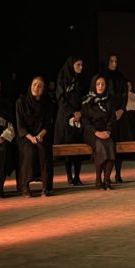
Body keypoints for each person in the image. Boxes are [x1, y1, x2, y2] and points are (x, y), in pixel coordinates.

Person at [16, 76, 54, 197]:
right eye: (34, 84)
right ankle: (25, 186)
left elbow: (48, 123)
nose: (36, 87)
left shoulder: (47, 103)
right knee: (29, 151)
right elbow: (20, 125)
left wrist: (40, 135)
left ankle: (46, 187)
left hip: (42, 135)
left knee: (43, 150)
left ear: (43, 89)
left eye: (40, 85)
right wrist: (31, 137)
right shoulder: (21, 102)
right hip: (25, 137)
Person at [54, 56, 87, 185]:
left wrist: (80, 111)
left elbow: (85, 97)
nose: (81, 67)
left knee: (79, 145)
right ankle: (69, 176)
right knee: (67, 146)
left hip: (79, 115)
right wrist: (72, 112)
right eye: (78, 65)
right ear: (71, 65)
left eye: (82, 65)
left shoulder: (80, 79)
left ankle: (77, 176)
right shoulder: (62, 78)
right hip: (65, 116)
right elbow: (60, 97)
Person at [82, 74, 116, 190]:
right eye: (98, 84)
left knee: (110, 145)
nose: (100, 86)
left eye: (103, 84)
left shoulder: (109, 100)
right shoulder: (87, 101)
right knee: (100, 145)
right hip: (91, 132)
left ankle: (106, 181)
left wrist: (108, 131)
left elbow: (112, 118)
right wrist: (96, 132)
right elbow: (85, 121)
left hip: (105, 131)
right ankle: (98, 179)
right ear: (94, 85)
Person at [102, 54, 129, 183]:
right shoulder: (103, 76)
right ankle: (106, 176)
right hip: (107, 115)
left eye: (116, 61)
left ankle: (118, 174)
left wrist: (122, 110)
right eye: (111, 61)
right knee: (107, 145)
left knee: (119, 145)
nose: (114, 63)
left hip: (120, 115)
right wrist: (110, 112)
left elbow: (125, 95)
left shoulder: (121, 77)